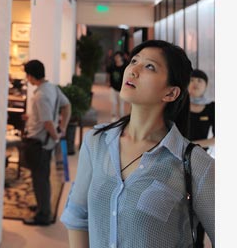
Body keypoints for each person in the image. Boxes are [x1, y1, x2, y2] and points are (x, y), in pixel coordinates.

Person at [60, 40, 215, 247]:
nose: (133, 70)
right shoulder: (96, 141)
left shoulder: (196, 164)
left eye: (149, 66)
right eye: (134, 61)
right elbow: (78, 214)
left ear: (170, 93)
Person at [21, 59, 71, 226]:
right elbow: (67, 106)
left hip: (39, 143)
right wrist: (62, 128)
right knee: (42, 176)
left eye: (27, 75)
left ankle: (43, 215)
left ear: (31, 75)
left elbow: (47, 122)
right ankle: (42, 206)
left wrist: (56, 136)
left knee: (40, 179)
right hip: (45, 142)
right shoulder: (52, 88)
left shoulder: (40, 96)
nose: (27, 78)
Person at [187, 69, 215, 248]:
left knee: (200, 206)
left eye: (200, 80)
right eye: (192, 80)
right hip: (177, 159)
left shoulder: (212, 107)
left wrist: (192, 144)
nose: (195, 83)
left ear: (206, 86)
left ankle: (198, 244)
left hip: (200, 162)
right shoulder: (179, 105)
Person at [106, 51, 131, 121]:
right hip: (113, 87)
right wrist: (108, 82)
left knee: (121, 104)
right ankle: (113, 117)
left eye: (118, 57)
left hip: (122, 88)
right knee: (113, 103)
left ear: (121, 58)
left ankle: (121, 118)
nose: (116, 58)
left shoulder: (125, 66)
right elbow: (109, 74)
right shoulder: (112, 66)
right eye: (115, 57)